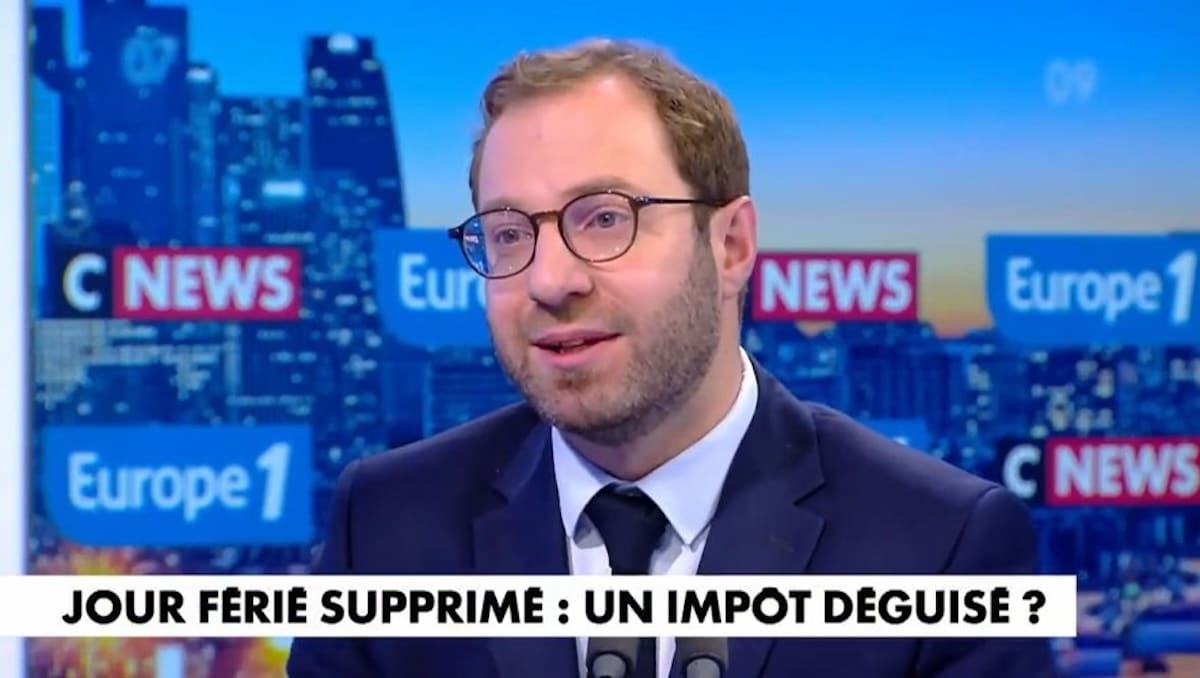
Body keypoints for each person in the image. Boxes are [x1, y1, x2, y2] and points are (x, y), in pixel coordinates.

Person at [287, 38, 1057, 678]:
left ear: (731, 246)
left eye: (604, 219)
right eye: (509, 233)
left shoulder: (940, 547)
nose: (550, 280)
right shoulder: (386, 525)